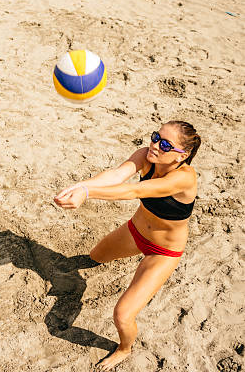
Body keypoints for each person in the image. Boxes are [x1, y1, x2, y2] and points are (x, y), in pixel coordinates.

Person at [53, 121, 201, 370]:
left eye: (165, 145)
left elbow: (135, 191)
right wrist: (82, 186)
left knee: (122, 315)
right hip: (135, 232)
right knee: (96, 255)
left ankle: (124, 349)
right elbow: (116, 175)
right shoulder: (147, 155)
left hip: (163, 252)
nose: (155, 145)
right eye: (156, 137)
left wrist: (88, 194)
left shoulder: (184, 178)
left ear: (182, 155)